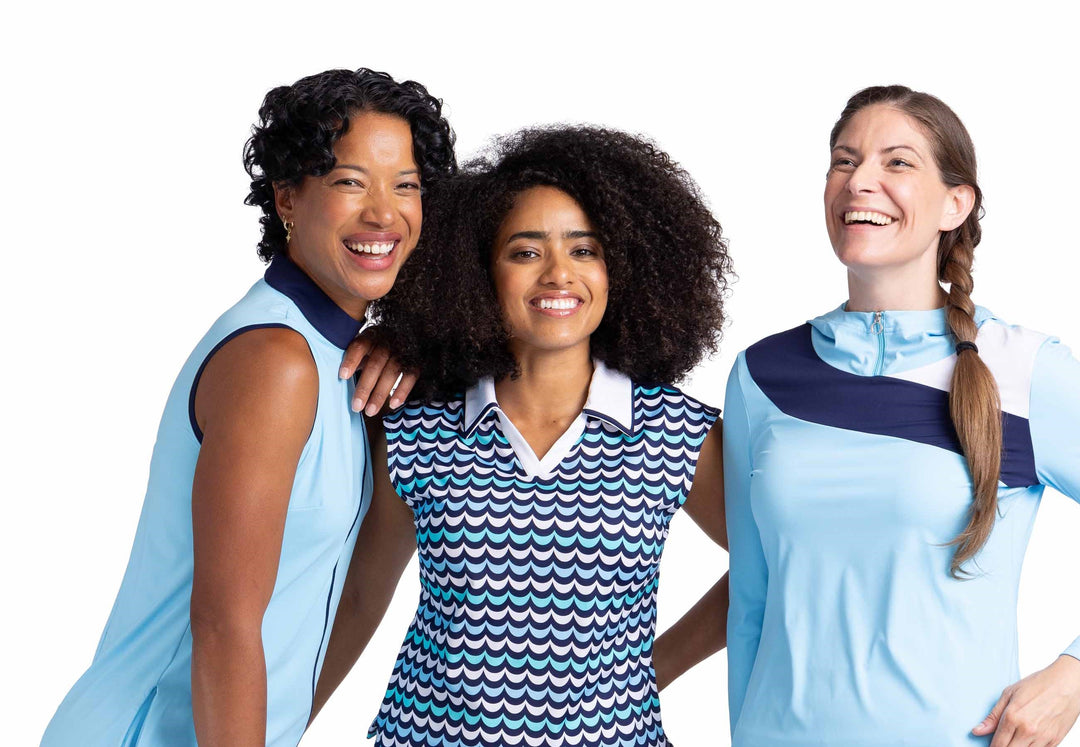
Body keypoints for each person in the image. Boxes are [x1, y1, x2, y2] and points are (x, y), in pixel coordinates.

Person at [42, 68, 454, 747]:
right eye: (351, 181)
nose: (384, 212)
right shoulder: (277, 360)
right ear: (288, 195)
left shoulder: (337, 358)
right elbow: (224, 622)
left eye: (405, 185)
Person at [315, 126, 733, 746]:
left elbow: (772, 566)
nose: (559, 275)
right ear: (479, 273)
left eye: (585, 250)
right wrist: (273, 728)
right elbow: (357, 600)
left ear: (624, 269)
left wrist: (651, 672)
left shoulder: (677, 434)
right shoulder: (415, 428)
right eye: (526, 252)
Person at [722, 85, 1080, 746]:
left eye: (896, 163)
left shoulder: (1025, 370)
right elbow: (750, 603)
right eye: (844, 160)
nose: (860, 181)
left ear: (955, 203)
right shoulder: (761, 375)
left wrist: (1072, 676)